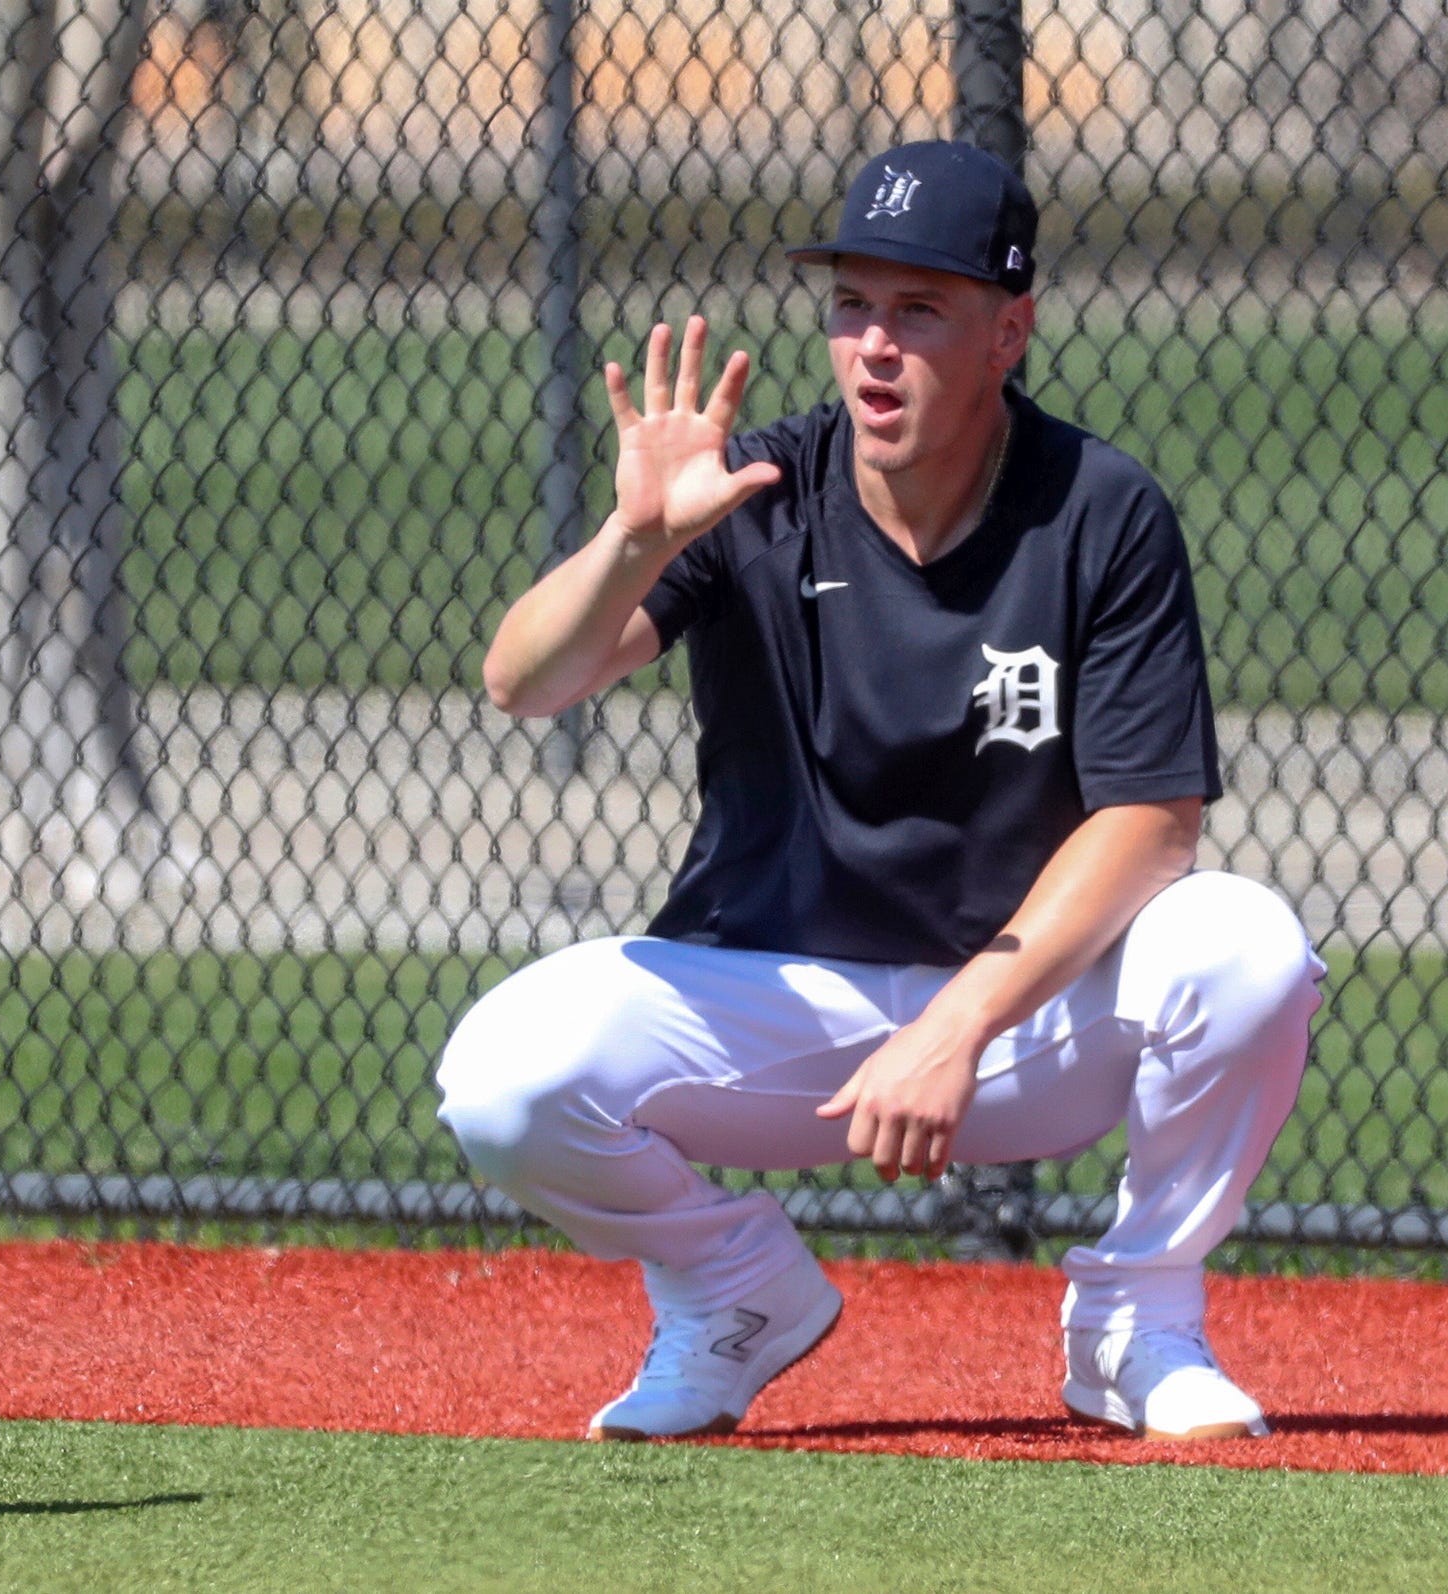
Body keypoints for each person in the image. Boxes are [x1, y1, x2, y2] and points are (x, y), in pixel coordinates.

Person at [437, 141, 1321, 1444]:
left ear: (1008, 331)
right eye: (853, 305)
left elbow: (1153, 824)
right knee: (504, 1076)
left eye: (922, 310)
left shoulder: (1101, 509)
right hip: (788, 1002)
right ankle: (735, 1291)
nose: (875, 347)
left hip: (1019, 1021)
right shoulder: (753, 493)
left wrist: (962, 1024)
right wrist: (636, 538)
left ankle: (1138, 1320)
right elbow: (525, 680)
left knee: (1248, 949)